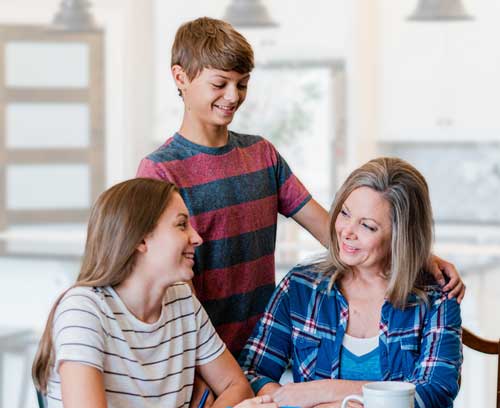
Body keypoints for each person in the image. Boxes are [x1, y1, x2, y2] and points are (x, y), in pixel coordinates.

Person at [137, 17, 464, 361]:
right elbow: (170, 280)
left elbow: (331, 232)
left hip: (265, 349)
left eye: (242, 84)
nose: (233, 97)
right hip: (201, 355)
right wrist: (206, 367)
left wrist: (420, 256)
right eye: (220, 84)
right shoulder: (160, 170)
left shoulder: (261, 155)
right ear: (180, 77)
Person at [32, 178, 285, 408]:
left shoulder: (181, 300)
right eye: (181, 225)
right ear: (141, 239)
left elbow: (235, 386)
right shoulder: (83, 309)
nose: (197, 238)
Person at [239, 157, 463, 408]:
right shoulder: (300, 287)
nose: (347, 232)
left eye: (367, 226)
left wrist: (323, 391)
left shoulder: (436, 298)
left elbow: (436, 393)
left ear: (401, 236)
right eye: (345, 214)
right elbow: (250, 373)